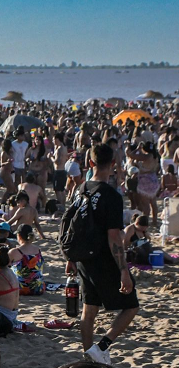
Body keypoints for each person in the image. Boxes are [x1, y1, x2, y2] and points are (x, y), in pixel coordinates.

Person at [64, 143, 138, 365]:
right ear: (113, 164)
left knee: (90, 310)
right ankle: (102, 347)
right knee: (131, 306)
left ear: (90, 163)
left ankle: (90, 357)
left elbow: (72, 226)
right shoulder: (111, 196)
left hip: (84, 257)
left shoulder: (81, 188)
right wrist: (124, 270)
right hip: (104, 259)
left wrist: (71, 258)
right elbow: (114, 237)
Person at [9, 224, 45, 295]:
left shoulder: (15, 251)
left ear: (19, 236)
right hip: (39, 288)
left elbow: (4, 266)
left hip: (21, 289)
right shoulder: (37, 249)